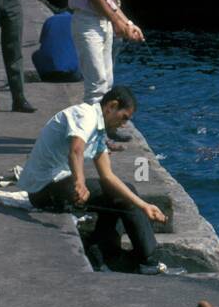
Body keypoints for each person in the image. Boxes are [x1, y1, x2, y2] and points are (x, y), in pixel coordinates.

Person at [20, 85, 167, 274]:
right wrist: (80, 182)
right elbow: (76, 149)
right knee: (119, 197)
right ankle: (149, 260)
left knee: (118, 193)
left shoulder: (98, 132)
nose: (123, 125)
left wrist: (144, 205)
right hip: (44, 189)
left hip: (55, 186)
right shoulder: (86, 115)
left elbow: (108, 176)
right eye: (124, 118)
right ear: (111, 106)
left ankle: (103, 255)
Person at [67, 0, 145, 143]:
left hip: (101, 21)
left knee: (106, 81)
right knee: (96, 84)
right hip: (88, 21)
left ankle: (101, 133)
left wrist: (128, 23)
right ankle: (92, 139)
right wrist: (116, 21)